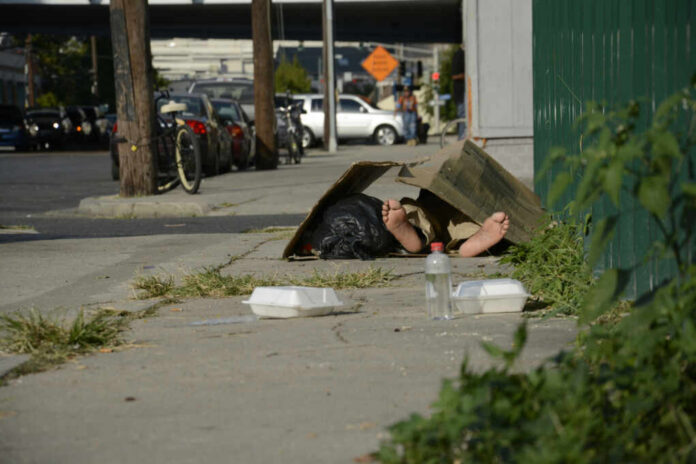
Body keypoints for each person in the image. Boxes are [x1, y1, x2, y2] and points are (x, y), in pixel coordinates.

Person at [381, 190, 509, 258]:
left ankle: (417, 233)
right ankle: (470, 239)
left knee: (411, 208)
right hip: (460, 210)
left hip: (430, 210)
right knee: (464, 223)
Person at [451, 44, 466, 140]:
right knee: (462, 116)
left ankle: (461, 136)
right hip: (460, 92)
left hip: (459, 92)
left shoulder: (458, 55)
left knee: (462, 115)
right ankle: (461, 137)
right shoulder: (460, 56)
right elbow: (454, 75)